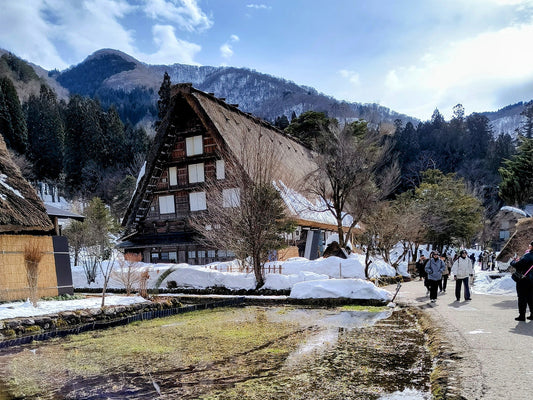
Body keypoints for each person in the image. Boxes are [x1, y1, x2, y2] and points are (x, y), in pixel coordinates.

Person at [510, 241, 533, 321]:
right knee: (531, 297)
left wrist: (513, 261)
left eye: (530, 245)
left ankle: (522, 315)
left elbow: (518, 265)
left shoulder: (528, 256)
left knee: (522, 297)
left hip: (524, 280)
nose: (529, 246)